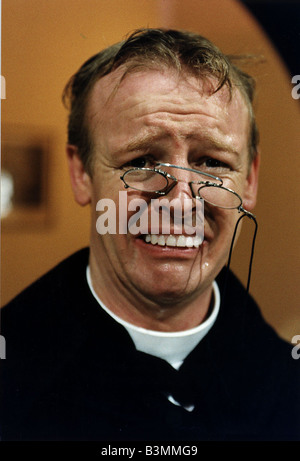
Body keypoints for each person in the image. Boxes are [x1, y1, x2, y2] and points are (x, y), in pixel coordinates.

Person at [1, 28, 299, 442]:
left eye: (212, 162)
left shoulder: (288, 384)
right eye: (141, 159)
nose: (180, 203)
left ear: (249, 179)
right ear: (82, 173)